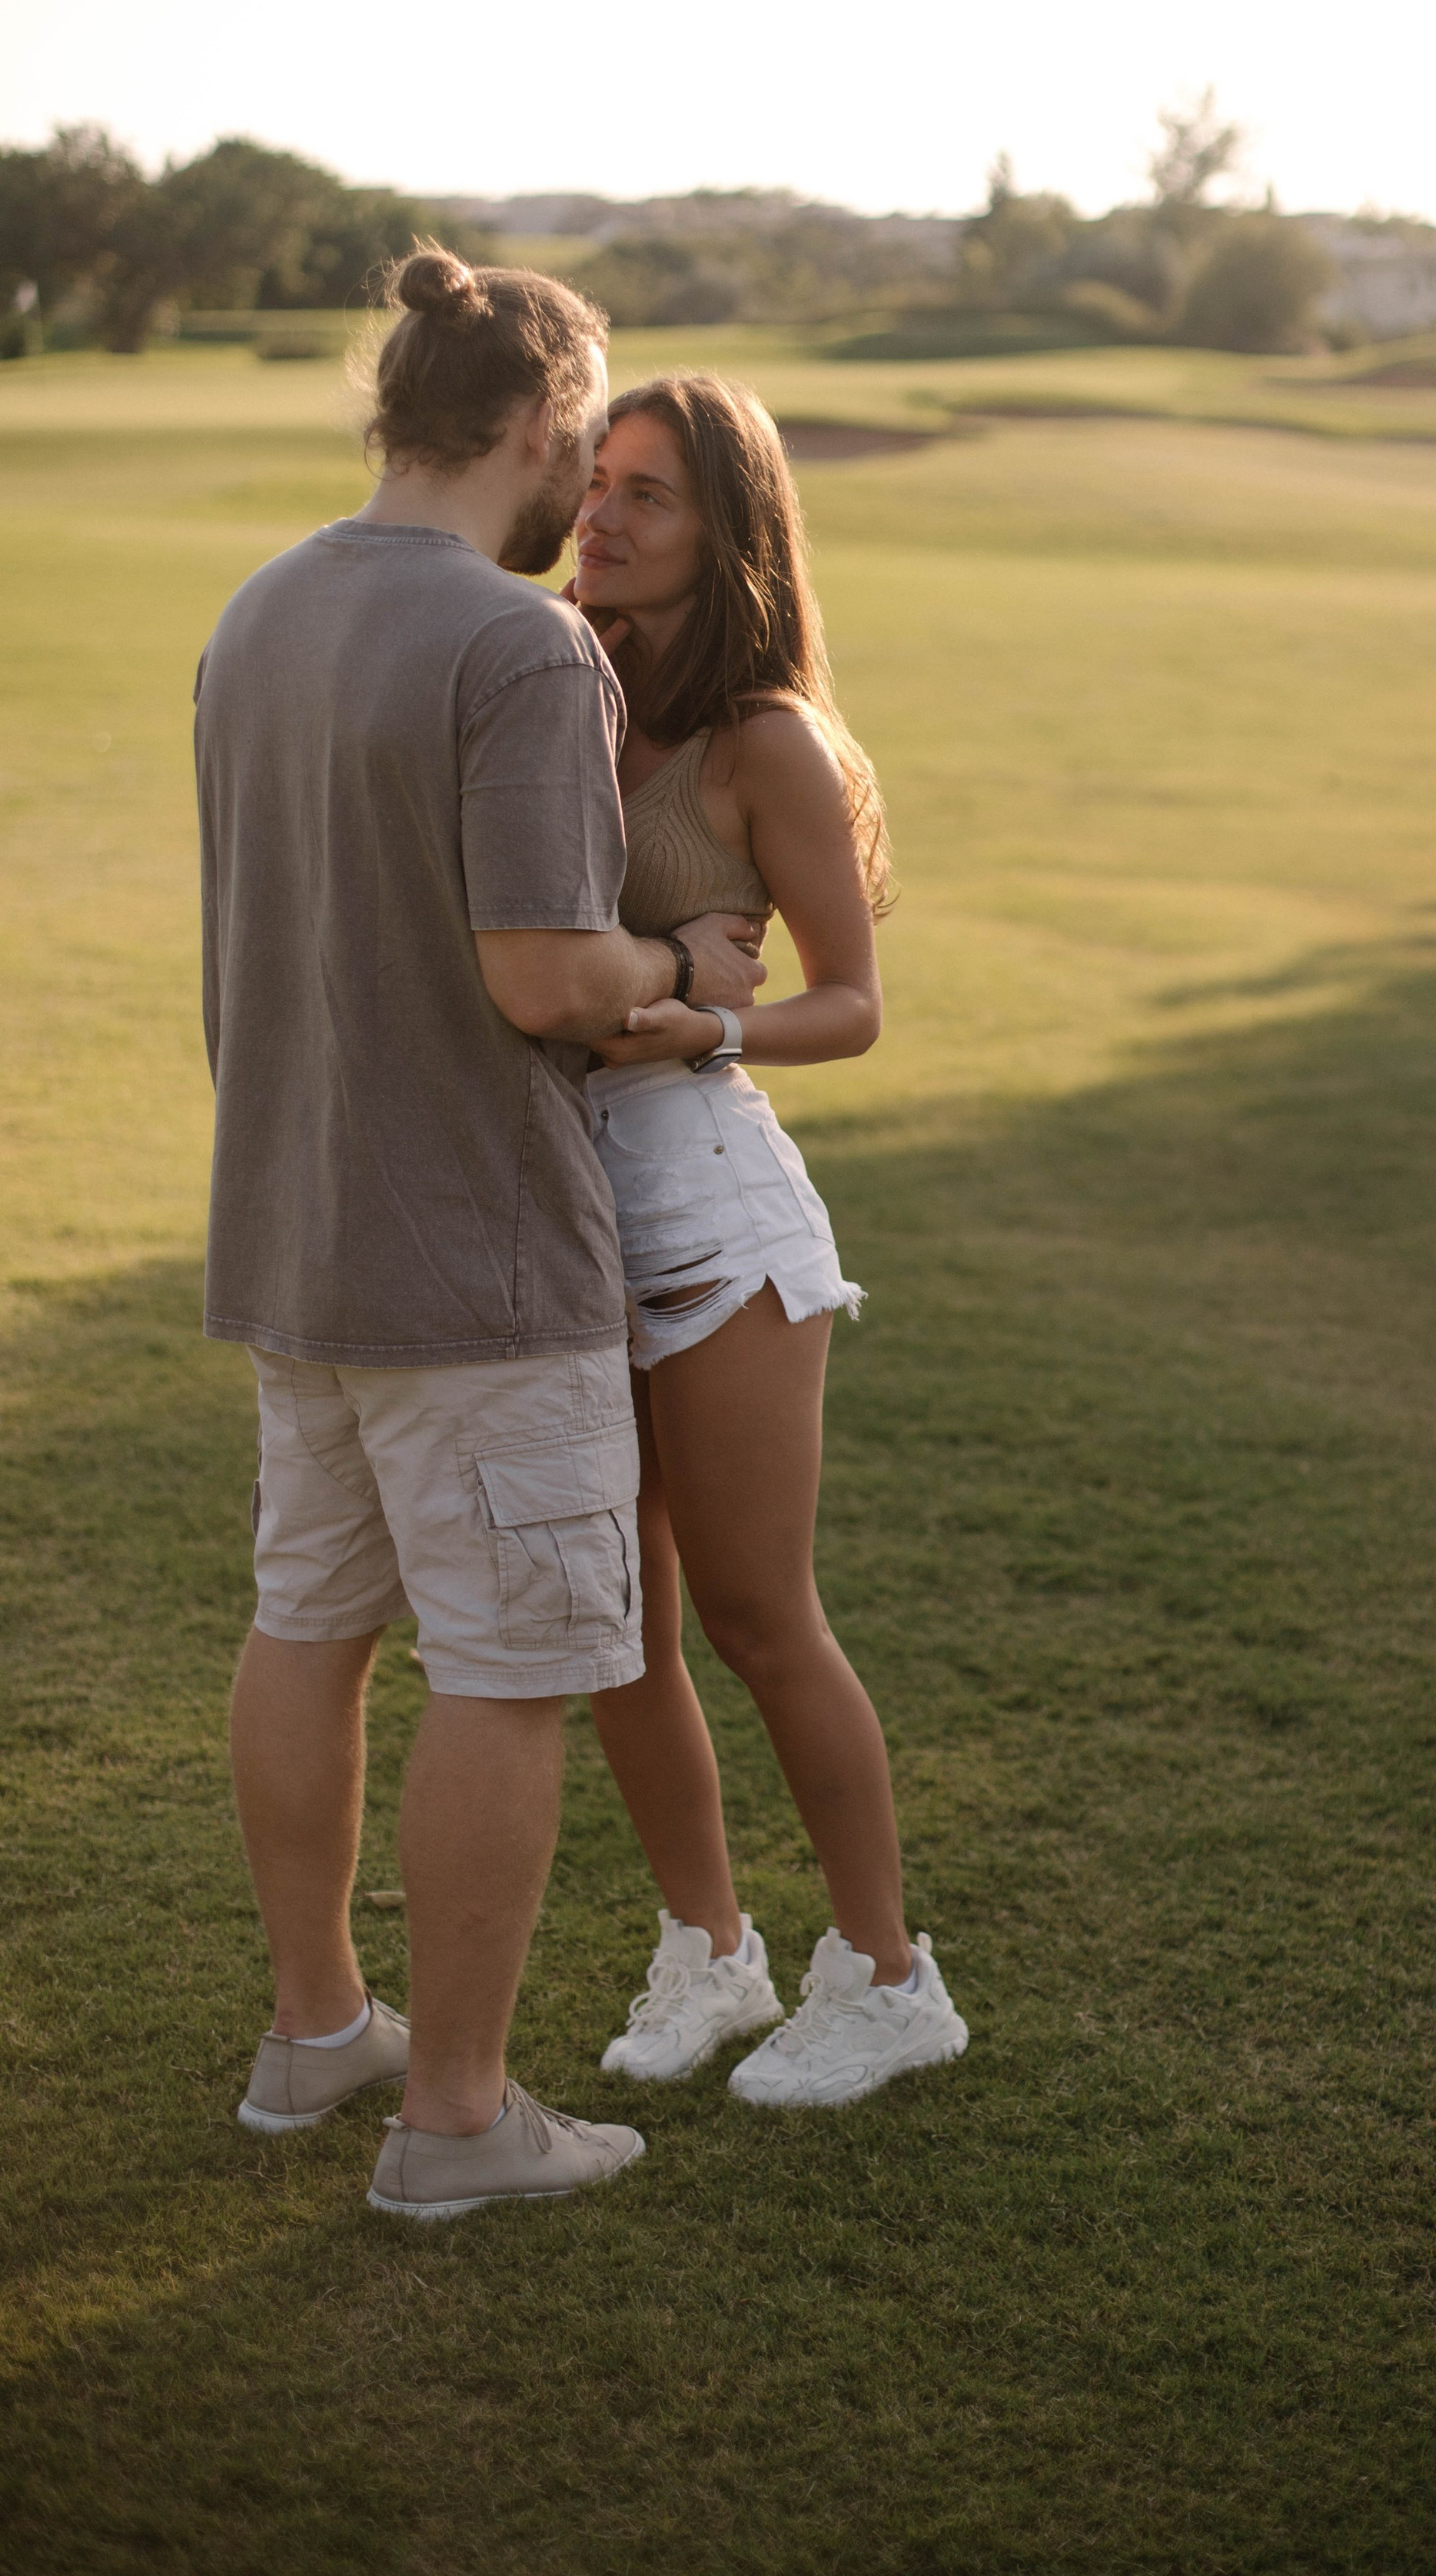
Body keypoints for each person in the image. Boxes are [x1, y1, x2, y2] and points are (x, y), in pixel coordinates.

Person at [195, 252, 764, 2218]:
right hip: (477, 1265)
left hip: (293, 1236)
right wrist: (679, 957)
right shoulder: (520, 647)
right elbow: (541, 976)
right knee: (509, 1677)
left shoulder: (258, 610)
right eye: (577, 443)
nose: (578, 494)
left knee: (309, 1628)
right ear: (536, 417)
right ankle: (452, 2123)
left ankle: (312, 2035)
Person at [573, 374, 967, 2106]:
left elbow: (854, 1004)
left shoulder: (762, 741)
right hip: (557, 1217)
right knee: (614, 1626)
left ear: (726, 531)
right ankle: (708, 1952)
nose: (601, 515)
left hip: (710, 1221)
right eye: (593, 481)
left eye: (646, 493)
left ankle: (889, 1981)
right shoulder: (556, 689)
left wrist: (710, 1026)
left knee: (753, 1614)